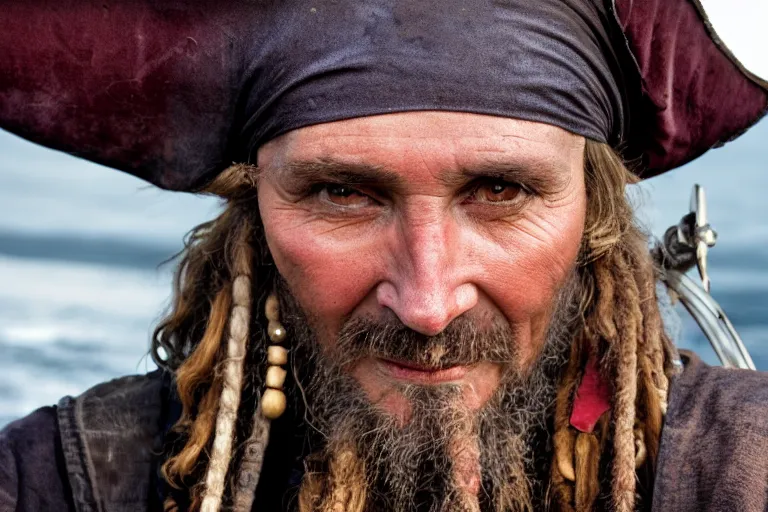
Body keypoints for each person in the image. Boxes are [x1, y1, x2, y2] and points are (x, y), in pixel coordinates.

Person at [1, 1, 767, 511]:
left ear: (593, 214)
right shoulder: (66, 482)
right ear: (255, 206)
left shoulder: (744, 473)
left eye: (500, 189)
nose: (428, 302)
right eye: (342, 193)